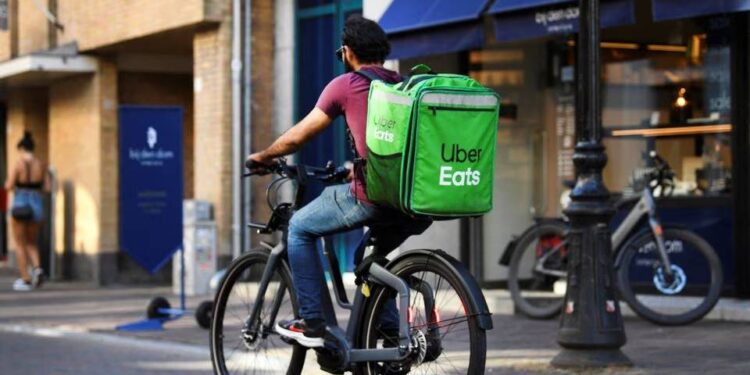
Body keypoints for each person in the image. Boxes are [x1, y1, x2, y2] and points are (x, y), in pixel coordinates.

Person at [246, 15, 431, 348]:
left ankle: (312, 321)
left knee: (300, 227)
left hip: (373, 198)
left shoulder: (347, 85)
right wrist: (354, 168)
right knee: (367, 262)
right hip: (414, 201)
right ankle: (392, 336)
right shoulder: (406, 87)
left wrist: (266, 156)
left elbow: (297, 138)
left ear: (347, 52)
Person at [5, 131, 49, 291]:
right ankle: (37, 269)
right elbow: (48, 187)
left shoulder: (17, 164)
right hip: (36, 203)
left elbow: (9, 186)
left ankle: (26, 279)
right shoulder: (42, 164)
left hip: (20, 203)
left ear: (22, 148)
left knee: (19, 243)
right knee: (31, 242)